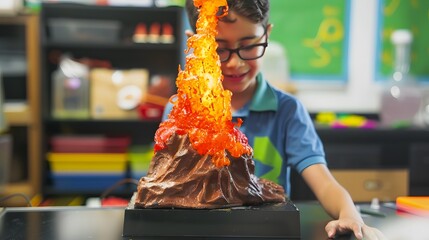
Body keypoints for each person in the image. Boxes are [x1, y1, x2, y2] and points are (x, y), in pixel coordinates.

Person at [161, 0, 385, 239]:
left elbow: (325, 183)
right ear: (196, 44)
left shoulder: (287, 111)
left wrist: (349, 215)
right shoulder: (182, 112)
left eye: (248, 46)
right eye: (218, 48)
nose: (235, 63)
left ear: (266, 35)